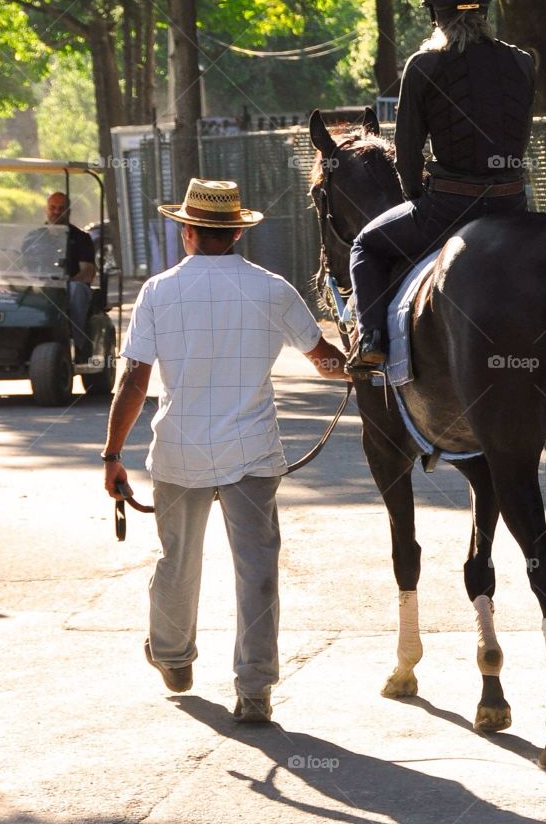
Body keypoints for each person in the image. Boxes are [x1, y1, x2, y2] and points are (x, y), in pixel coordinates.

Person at [101, 178, 349, 723]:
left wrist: (112, 454)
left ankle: (173, 656)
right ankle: (255, 690)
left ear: (187, 232)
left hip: (179, 452)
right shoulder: (273, 289)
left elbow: (134, 381)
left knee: (176, 560)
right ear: (236, 231)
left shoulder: (158, 291)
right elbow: (323, 360)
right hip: (252, 453)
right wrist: (361, 367)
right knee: (257, 570)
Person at [349, 0, 536, 370]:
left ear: (434, 12)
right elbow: (518, 136)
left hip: (449, 208)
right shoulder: (522, 61)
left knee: (364, 247)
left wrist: (414, 195)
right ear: (485, 6)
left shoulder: (423, 66)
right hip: (512, 206)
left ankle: (373, 339)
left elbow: (408, 149)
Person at [45, 192, 96, 360]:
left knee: (75, 290)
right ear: (46, 209)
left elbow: (88, 271)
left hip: (70, 285)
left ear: (68, 211)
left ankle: (78, 345)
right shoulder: (36, 237)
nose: (56, 212)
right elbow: (23, 266)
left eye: (61, 208)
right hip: (43, 286)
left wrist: (68, 281)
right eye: (53, 208)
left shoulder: (81, 238)